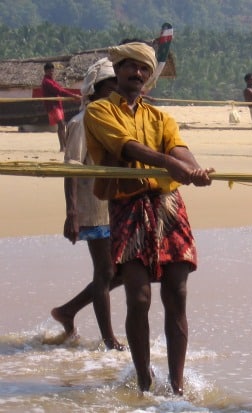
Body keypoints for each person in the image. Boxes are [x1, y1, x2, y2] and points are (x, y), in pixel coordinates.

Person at [84, 42, 214, 394]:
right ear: (119, 70)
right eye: (130, 67)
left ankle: (177, 386)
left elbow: (178, 149)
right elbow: (125, 146)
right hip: (128, 205)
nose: (137, 74)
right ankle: (143, 381)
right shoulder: (99, 112)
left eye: (144, 69)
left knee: (178, 292)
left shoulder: (160, 118)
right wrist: (169, 164)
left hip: (168, 204)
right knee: (138, 297)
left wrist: (193, 168)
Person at [51, 58, 125, 351]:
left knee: (120, 272)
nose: (116, 92)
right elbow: (71, 168)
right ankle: (109, 340)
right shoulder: (81, 122)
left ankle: (68, 310)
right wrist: (72, 213)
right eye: (111, 87)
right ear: (95, 90)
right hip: (92, 207)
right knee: (106, 272)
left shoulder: (112, 119)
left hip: (115, 204)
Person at [41, 62, 81, 152]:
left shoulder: (52, 81)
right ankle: (63, 147)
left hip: (57, 105)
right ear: (45, 71)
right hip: (53, 106)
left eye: (52, 71)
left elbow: (61, 89)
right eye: (49, 71)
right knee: (61, 124)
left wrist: (72, 95)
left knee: (61, 125)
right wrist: (73, 96)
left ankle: (64, 146)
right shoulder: (47, 82)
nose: (51, 73)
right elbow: (59, 90)